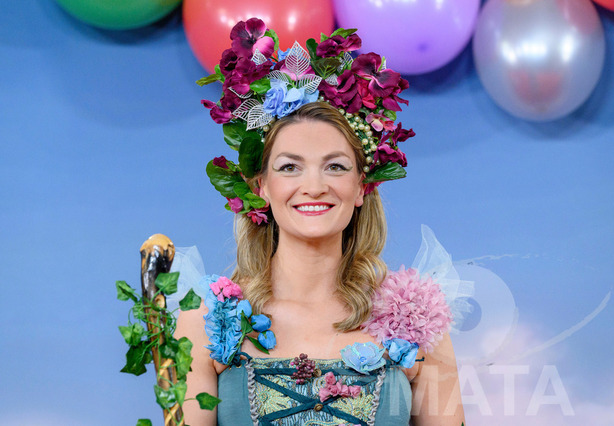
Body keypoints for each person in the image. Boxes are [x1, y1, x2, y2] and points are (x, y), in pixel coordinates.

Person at [175, 18, 465, 425]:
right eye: (290, 167)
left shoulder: (416, 320)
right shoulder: (206, 323)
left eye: (335, 166)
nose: (314, 187)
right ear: (261, 187)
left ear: (361, 186)